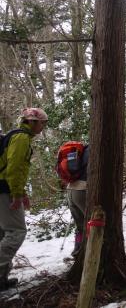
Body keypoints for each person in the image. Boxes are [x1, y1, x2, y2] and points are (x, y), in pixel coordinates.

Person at [0, 107, 48, 291]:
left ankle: (2, 279)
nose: (43, 126)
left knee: (3, 234)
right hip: (5, 190)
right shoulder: (21, 138)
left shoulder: (16, 135)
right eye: (42, 122)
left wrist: (23, 193)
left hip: (4, 188)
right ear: (32, 122)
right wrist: (17, 194)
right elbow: (14, 169)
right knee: (16, 232)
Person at [66, 145, 89, 257]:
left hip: (70, 189)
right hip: (82, 189)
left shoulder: (81, 150)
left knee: (80, 224)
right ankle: (90, 250)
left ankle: (78, 249)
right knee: (92, 222)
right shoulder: (94, 150)